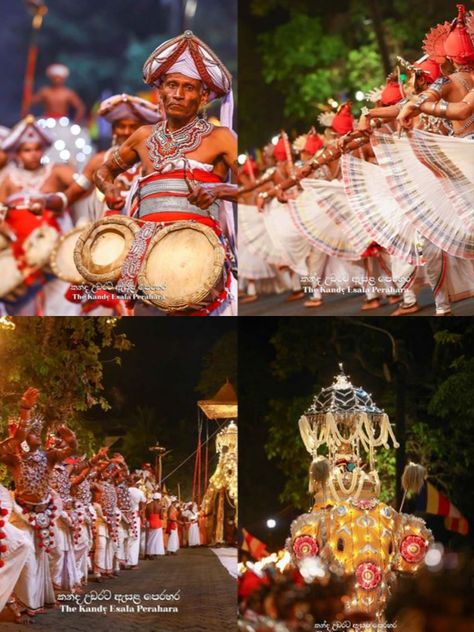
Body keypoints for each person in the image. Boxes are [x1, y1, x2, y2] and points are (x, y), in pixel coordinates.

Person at [94, 30, 238, 316]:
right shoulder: (142, 136)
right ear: (160, 91)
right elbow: (104, 171)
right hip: (144, 254)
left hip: (198, 251)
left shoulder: (222, 138)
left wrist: (219, 190)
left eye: (188, 88)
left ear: (203, 96)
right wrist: (107, 187)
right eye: (171, 85)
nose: (178, 94)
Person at [0, 387, 77, 615]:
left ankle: (36, 600)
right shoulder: (16, 458)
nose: (37, 434)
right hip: (22, 514)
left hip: (45, 514)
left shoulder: (49, 456)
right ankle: (20, 604)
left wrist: (71, 440)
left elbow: (70, 451)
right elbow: (17, 441)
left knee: (43, 557)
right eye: (33, 432)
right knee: (27, 561)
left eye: (38, 432)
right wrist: (25, 410)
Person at [126, 475, 146, 568]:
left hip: (124, 516)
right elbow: (143, 505)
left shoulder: (125, 491)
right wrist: (142, 514)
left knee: (125, 538)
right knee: (134, 539)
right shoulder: (139, 492)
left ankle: (123, 561)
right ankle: (132, 563)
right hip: (134, 516)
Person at [145, 492, 165, 559]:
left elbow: (146, 515)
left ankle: (148, 553)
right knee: (156, 540)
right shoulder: (160, 506)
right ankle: (153, 553)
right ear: (158, 499)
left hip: (150, 522)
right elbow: (162, 517)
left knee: (149, 538)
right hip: (157, 523)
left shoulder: (148, 505)